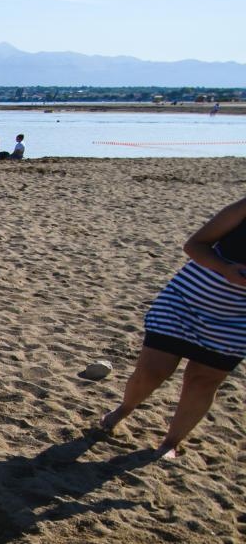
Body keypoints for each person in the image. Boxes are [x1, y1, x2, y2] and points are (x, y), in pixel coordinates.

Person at [99, 196, 246, 460]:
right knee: (152, 372)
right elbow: (194, 245)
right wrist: (225, 269)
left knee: (203, 382)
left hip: (237, 319)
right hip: (185, 301)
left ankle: (171, 442)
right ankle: (124, 408)